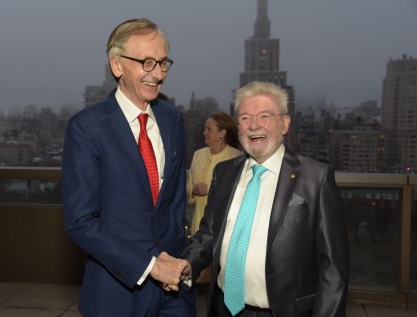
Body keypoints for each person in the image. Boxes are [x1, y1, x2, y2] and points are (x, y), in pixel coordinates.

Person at [180, 81, 349, 317]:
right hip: (223, 309)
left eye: (265, 116)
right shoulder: (224, 173)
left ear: (285, 123)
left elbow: (334, 271)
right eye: (245, 118)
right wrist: (186, 265)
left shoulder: (315, 179)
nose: (254, 125)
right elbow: (209, 233)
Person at [62, 18, 195, 317]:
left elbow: (173, 203)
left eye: (163, 63)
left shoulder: (173, 119)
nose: (158, 74)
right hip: (118, 294)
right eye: (147, 62)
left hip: (175, 295)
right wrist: (151, 266)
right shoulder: (87, 128)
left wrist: (178, 262)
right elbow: (80, 221)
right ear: (117, 65)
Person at [186, 112, 243, 284]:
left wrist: (209, 189)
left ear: (222, 133)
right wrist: (194, 190)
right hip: (199, 223)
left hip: (224, 227)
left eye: (208, 129)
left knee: (221, 278)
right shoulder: (198, 155)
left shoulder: (236, 157)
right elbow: (189, 182)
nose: (204, 133)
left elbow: (237, 190)